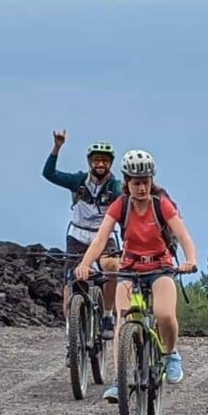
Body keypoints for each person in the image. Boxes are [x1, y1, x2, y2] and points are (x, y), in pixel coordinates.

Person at [75, 149, 198, 403]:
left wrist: (190, 260)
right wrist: (85, 264)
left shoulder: (161, 205)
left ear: (152, 181)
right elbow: (100, 239)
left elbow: (183, 235)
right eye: (136, 183)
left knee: (164, 314)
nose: (141, 188)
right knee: (122, 321)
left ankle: (170, 354)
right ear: (127, 182)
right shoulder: (120, 206)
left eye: (145, 182)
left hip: (160, 267)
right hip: (130, 270)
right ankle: (119, 381)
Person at [42, 131, 123, 336]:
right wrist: (57, 147)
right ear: (89, 162)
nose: (100, 164)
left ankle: (107, 315)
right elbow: (49, 174)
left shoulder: (115, 186)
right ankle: (72, 329)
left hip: (104, 236)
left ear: (111, 163)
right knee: (71, 281)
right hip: (78, 235)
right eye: (96, 160)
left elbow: (126, 202)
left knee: (112, 267)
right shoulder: (78, 180)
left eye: (105, 160)